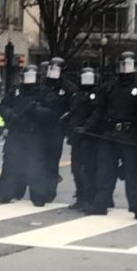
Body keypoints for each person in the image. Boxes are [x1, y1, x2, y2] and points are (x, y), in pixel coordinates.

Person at [85, 51, 137, 216]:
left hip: (130, 135)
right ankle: (101, 204)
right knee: (104, 171)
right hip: (110, 134)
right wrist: (87, 128)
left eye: (129, 65)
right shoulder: (108, 87)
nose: (125, 68)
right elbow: (99, 111)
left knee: (133, 173)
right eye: (123, 65)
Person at [0, 64, 56, 206]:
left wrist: (37, 110)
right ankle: (5, 193)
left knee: (36, 165)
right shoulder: (15, 91)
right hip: (16, 132)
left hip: (35, 133)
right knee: (10, 164)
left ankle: (38, 195)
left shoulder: (45, 92)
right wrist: (11, 115)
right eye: (27, 76)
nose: (29, 80)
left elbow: (53, 112)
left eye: (32, 76)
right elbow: (3, 107)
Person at [38, 57, 75, 202]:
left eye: (56, 69)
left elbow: (74, 106)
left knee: (52, 161)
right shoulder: (41, 85)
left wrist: (68, 122)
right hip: (41, 127)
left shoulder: (68, 88)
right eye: (51, 68)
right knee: (40, 159)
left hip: (57, 128)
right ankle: (39, 189)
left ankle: (49, 191)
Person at [66, 67, 100, 211]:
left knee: (88, 169)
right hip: (76, 137)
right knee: (76, 169)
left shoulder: (96, 94)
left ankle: (89, 199)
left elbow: (97, 113)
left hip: (89, 137)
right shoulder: (76, 95)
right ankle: (80, 197)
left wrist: (86, 128)